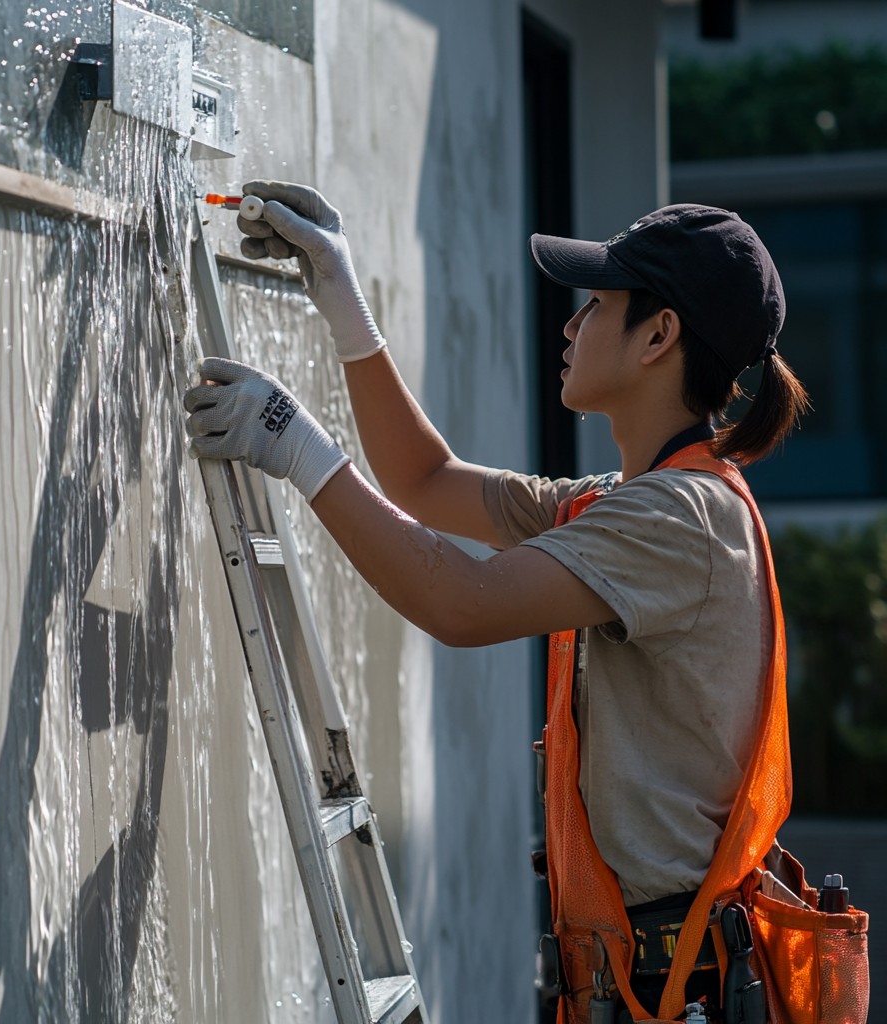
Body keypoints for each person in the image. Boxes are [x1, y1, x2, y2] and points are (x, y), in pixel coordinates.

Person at [183, 182, 808, 1023]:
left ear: (659, 335)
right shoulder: (620, 503)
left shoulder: (680, 519)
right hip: (637, 983)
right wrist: (340, 293)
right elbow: (425, 482)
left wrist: (293, 443)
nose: (570, 325)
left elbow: (464, 605)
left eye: (594, 305)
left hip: (669, 989)